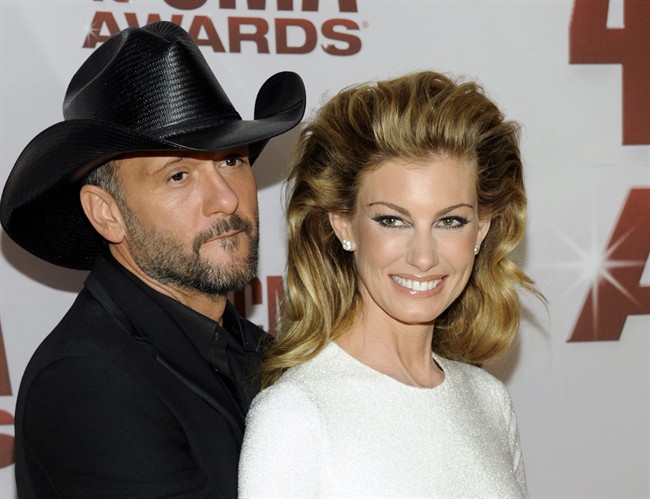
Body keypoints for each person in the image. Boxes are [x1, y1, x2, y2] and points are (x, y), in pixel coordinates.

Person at [0, 21, 305, 498]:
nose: (226, 199)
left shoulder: (261, 351)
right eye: (178, 175)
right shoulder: (86, 383)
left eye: (233, 160)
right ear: (107, 214)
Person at [239, 71, 542, 498]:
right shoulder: (297, 414)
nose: (423, 256)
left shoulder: (489, 401)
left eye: (450, 221)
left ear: (481, 229)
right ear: (343, 223)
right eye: (392, 220)